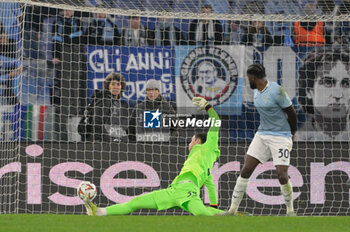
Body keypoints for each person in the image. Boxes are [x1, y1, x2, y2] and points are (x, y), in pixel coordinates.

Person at [83, 96, 224, 216]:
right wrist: (214, 207)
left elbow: (216, 122)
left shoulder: (208, 147)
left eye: (191, 140)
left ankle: (229, 214)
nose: (189, 143)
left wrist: (207, 106)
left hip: (188, 192)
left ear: (198, 141)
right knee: (136, 202)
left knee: (202, 214)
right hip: (172, 191)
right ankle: (99, 212)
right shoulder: (205, 166)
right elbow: (211, 187)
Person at [225, 64, 298, 216]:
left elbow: (292, 113)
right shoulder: (257, 92)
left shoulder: (277, 91)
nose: (247, 81)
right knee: (246, 170)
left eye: (248, 78)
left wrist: (292, 132)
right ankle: (232, 210)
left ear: (253, 77)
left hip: (280, 136)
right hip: (262, 135)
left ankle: (290, 211)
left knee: (282, 175)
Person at [296, 46, 350, 141]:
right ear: (309, 91)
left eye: (346, 83)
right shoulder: (295, 138)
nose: (338, 95)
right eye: (328, 83)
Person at [51, 9, 86, 141]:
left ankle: (76, 120)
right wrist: (55, 55)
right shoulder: (57, 22)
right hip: (63, 54)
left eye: (70, 9)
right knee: (65, 88)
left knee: (76, 86)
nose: (68, 12)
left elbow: (81, 39)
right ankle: (63, 128)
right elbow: (55, 39)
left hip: (76, 54)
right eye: (65, 9)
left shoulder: (78, 22)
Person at [78, 72, 129, 142]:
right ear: (108, 86)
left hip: (116, 143)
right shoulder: (105, 100)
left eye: (118, 84)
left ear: (121, 87)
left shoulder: (120, 104)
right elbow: (97, 124)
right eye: (113, 84)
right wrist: (110, 141)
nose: (116, 87)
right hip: (103, 144)